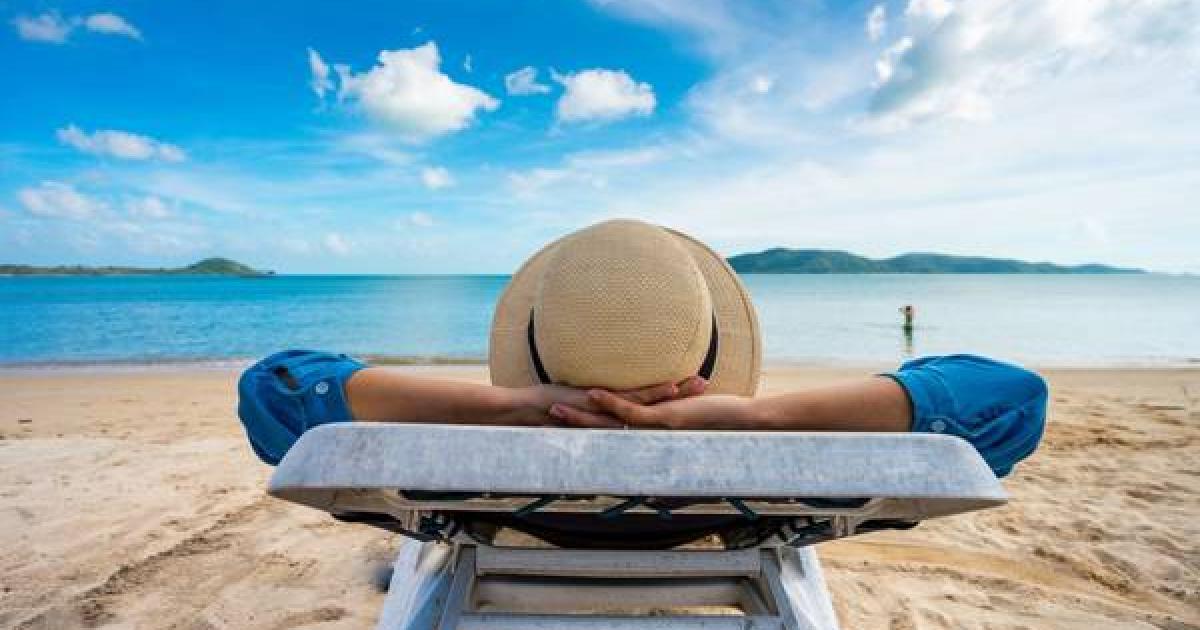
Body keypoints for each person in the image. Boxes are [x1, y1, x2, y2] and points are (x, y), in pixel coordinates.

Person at [238, 220, 1047, 478]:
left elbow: (279, 388)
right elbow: (1009, 396)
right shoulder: (738, 453)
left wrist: (516, 407)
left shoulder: (496, 441)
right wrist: (752, 418)